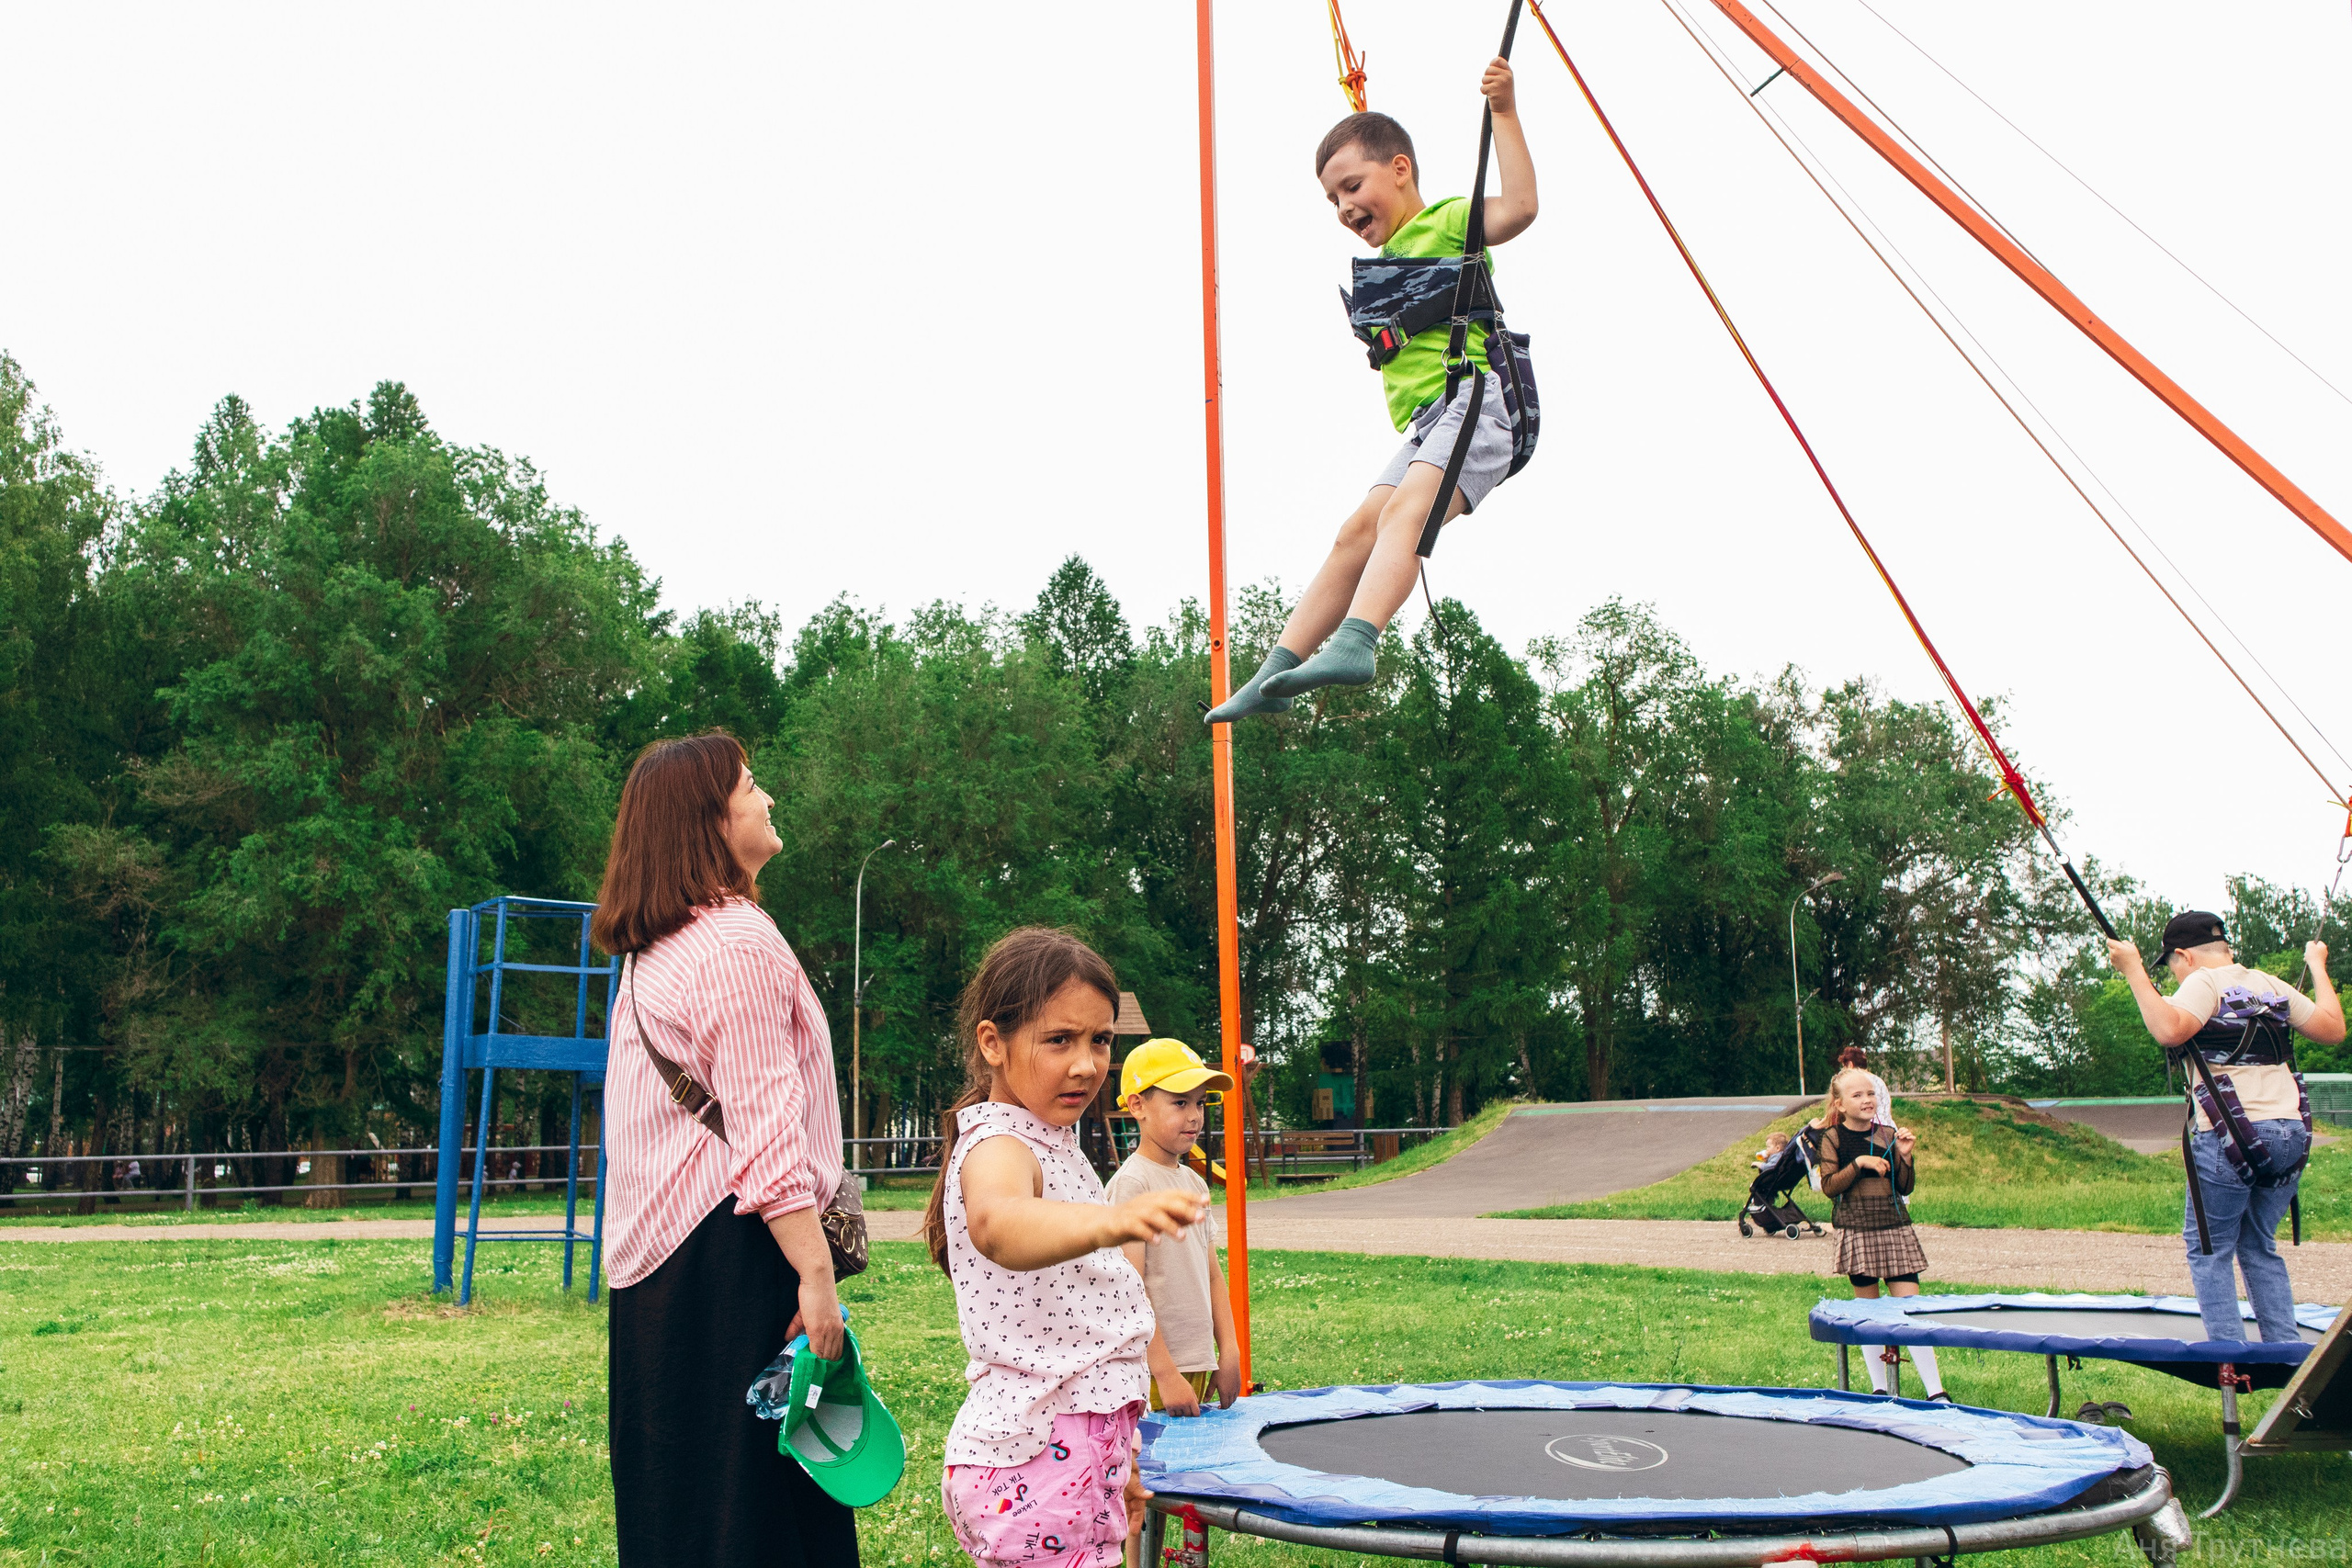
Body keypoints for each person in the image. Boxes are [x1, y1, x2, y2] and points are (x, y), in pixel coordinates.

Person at [593, 731, 857, 1568]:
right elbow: (767, 1134)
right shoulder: (736, 944)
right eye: (751, 785)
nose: (768, 797)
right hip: (734, 1256)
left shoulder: (655, 953)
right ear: (708, 819)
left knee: (682, 1503)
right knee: (759, 1514)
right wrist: (816, 1277)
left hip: (660, 1272)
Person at [1206, 62, 1537, 724]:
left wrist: (1504, 111)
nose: (1344, 207)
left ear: (1400, 170)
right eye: (1332, 200)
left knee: (1403, 512)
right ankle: (1277, 668)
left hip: (1483, 397)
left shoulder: (1449, 221)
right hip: (1431, 419)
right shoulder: (1385, 262)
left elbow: (1522, 207)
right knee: (1355, 531)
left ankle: (1358, 640)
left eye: (1352, 186)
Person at [924, 929, 1207, 1568]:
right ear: (993, 1042)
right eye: (1059, 1039)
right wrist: (1113, 1220)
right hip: (1034, 1457)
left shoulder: (1053, 1138)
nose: (1085, 1063)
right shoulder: (1001, 1142)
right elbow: (1000, 1222)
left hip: (1073, 1454)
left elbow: (1088, 1339)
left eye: (1099, 1039)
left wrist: (1117, 1466)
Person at [2105, 910, 2343, 1343]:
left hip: (2231, 1135)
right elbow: (2332, 1028)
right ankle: (2286, 1355)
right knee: (2257, 1245)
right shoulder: (2270, 985)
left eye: (2170, 966)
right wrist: (2317, 966)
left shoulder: (2202, 984)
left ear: (2184, 956)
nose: (2174, 977)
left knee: (2209, 1250)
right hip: (2291, 1134)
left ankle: (2230, 1366)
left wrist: (2135, 971)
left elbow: (2169, 1029)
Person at [1105, 1038, 1243, 1419]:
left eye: (1200, 1102)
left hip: (1196, 1362)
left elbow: (1212, 1275)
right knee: (1153, 1472)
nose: (1195, 1115)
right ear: (1137, 1105)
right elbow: (1130, 1286)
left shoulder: (1195, 1184)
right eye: (1180, 1103)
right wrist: (1163, 1371)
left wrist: (1228, 1349)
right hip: (1152, 1371)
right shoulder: (1133, 1184)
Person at [1818, 1067, 1945, 1401]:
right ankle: (1879, 1389)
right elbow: (1830, 1187)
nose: (1866, 1100)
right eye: (1857, 1095)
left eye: (1871, 1093)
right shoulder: (1833, 1138)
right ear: (1840, 1104)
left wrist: (1905, 1156)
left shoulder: (1888, 1134)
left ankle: (1936, 1391)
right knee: (1869, 1313)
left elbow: (1904, 1186)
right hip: (1857, 1231)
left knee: (1912, 1310)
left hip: (1894, 1228)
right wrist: (1860, 1163)